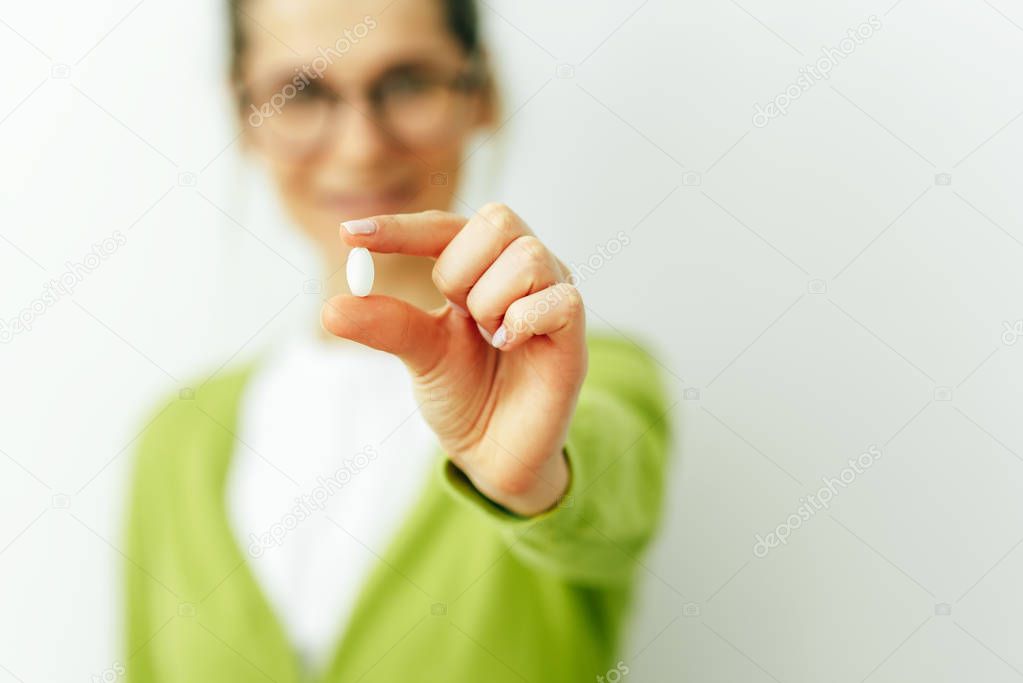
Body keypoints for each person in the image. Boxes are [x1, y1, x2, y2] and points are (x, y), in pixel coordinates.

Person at [124, 0, 671, 680]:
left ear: (482, 94)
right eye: (299, 93)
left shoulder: (590, 381)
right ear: (246, 116)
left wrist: (535, 479)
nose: (360, 145)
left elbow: (606, 506)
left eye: (408, 82)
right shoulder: (175, 439)